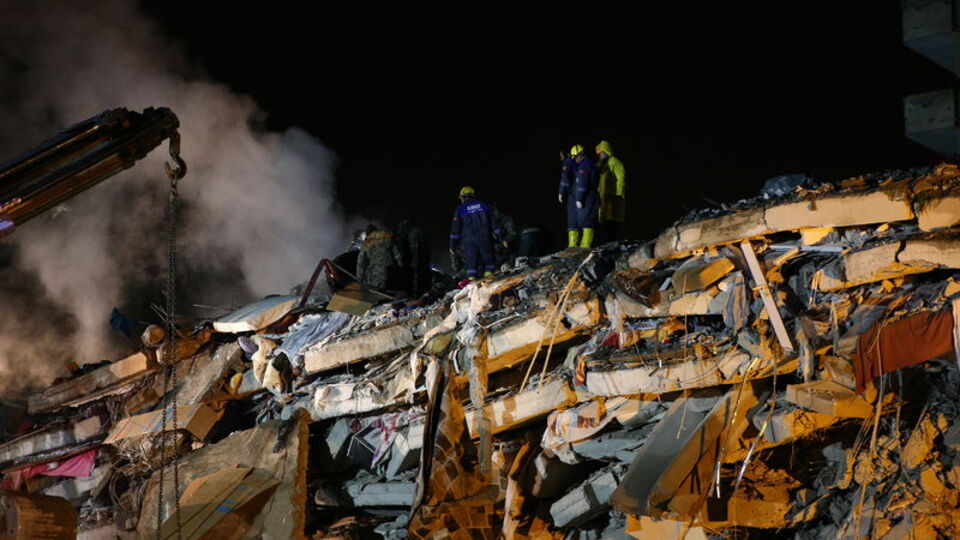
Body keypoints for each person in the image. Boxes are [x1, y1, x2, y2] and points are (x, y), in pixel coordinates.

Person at [450, 186, 501, 282]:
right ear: (473, 195)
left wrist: (452, 245)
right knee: (489, 262)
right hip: (485, 237)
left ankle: (472, 285)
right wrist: (499, 237)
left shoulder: (460, 209)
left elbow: (455, 230)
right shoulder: (484, 205)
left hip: (469, 241)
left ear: (462, 197)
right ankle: (490, 282)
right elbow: (494, 222)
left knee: (471, 265)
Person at [558, 144, 599, 248]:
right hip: (577, 196)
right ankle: (572, 248)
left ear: (580, 155)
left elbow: (583, 182)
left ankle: (585, 247)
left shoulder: (586, 165)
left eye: (575, 157)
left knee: (586, 220)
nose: (574, 159)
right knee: (573, 221)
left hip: (588, 196)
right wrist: (562, 192)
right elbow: (566, 178)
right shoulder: (577, 164)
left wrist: (579, 198)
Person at [595, 140, 627, 240]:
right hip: (604, 196)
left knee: (613, 220)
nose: (600, 155)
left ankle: (612, 240)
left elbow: (621, 177)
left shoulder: (615, 162)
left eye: (602, 153)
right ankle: (608, 240)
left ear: (607, 151)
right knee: (605, 220)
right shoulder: (602, 164)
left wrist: (619, 193)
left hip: (613, 196)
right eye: (599, 153)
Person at [356, 224, 402, 291]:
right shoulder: (388, 237)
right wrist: (400, 271)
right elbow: (398, 256)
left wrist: (359, 280)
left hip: (374, 280)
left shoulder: (367, 243)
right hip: (391, 275)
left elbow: (361, 263)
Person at [396, 217, 430, 296]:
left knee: (416, 282)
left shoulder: (413, 233)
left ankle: (415, 296)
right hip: (423, 262)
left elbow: (415, 249)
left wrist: (413, 262)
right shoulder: (420, 230)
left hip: (415, 263)